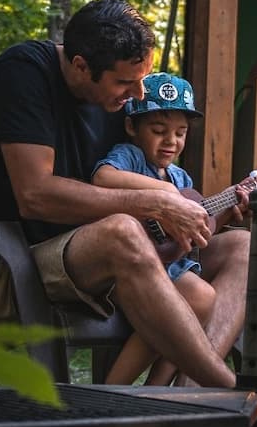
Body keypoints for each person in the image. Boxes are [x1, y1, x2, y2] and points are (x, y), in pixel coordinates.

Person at [0, 0, 247, 404]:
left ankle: (182, 409)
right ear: (80, 66)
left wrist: (203, 211)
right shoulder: (23, 74)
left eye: (142, 79)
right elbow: (35, 196)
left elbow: (144, 174)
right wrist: (157, 206)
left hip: (105, 260)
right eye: (126, 83)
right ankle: (233, 393)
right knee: (121, 231)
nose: (137, 93)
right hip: (18, 265)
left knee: (242, 246)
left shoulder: (114, 97)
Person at [90, 72, 231, 387]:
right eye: (158, 130)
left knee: (201, 297)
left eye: (181, 133)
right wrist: (163, 195)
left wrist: (224, 212)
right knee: (198, 296)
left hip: (171, 268)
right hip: (130, 271)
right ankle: (113, 391)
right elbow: (103, 178)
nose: (171, 141)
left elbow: (192, 238)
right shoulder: (130, 156)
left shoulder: (181, 178)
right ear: (131, 127)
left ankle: (156, 393)